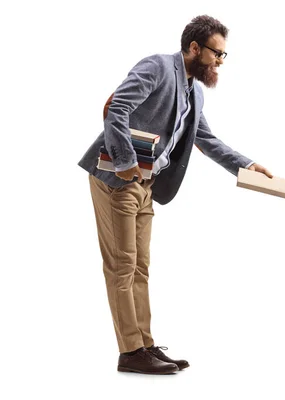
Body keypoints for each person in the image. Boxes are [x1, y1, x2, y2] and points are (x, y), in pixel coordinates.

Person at [78, 15, 272, 375]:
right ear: (194, 47)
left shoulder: (194, 89)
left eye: (223, 55)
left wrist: (247, 166)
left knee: (141, 267)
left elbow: (206, 139)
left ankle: (145, 345)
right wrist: (124, 162)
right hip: (117, 178)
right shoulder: (156, 66)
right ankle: (130, 351)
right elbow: (117, 108)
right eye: (216, 53)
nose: (219, 62)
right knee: (122, 266)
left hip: (147, 184)